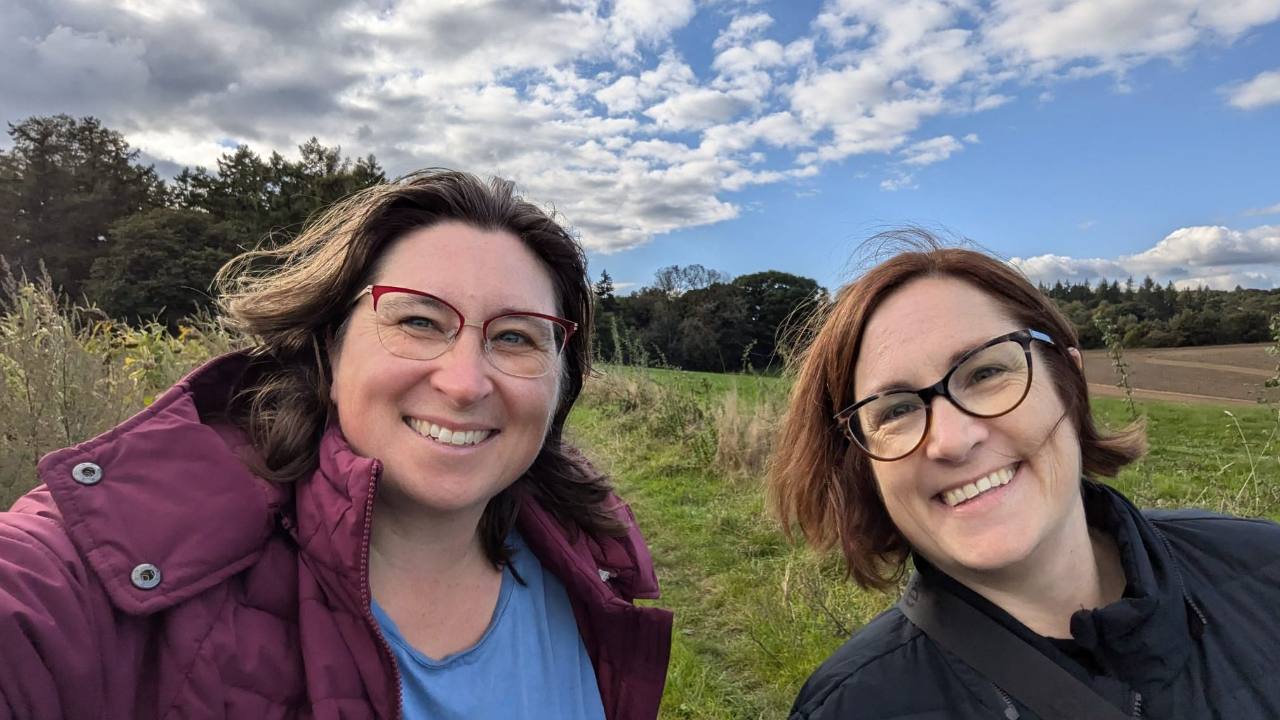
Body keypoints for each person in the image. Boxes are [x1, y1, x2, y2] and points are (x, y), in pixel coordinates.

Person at [0, 169, 672, 719]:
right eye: (418, 321)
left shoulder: (585, 560)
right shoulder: (104, 563)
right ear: (331, 346)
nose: (466, 382)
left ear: (561, 380)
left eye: (517, 337)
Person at [768, 233, 1280, 719]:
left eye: (986, 373)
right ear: (863, 464)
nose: (952, 441)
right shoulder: (850, 706)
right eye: (896, 410)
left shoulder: (1267, 567)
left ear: (1069, 380)